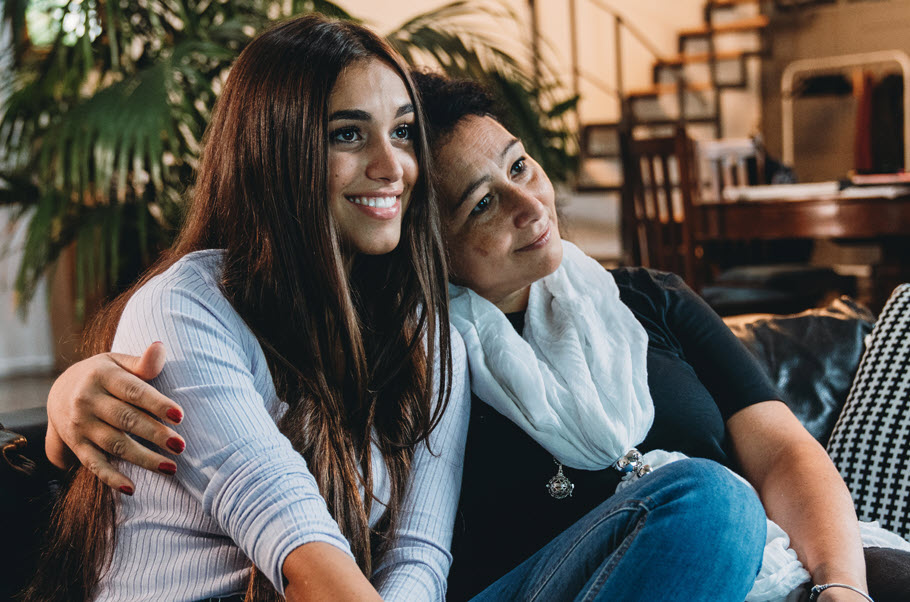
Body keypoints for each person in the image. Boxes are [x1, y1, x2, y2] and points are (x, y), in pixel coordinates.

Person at [51, 70, 910, 601]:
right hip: (626, 571)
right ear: (423, 241)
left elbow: (789, 455)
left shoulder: (647, 300)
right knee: (706, 503)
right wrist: (69, 401)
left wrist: (842, 586)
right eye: (481, 204)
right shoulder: (400, 354)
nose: (532, 207)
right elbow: (262, 468)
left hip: (791, 572)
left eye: (522, 166)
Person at [24, 15, 472, 602]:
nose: (393, 166)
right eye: (347, 134)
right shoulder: (185, 311)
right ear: (275, 148)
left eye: (404, 131)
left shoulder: (431, 338)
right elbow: (306, 561)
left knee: (638, 510)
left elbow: (418, 558)